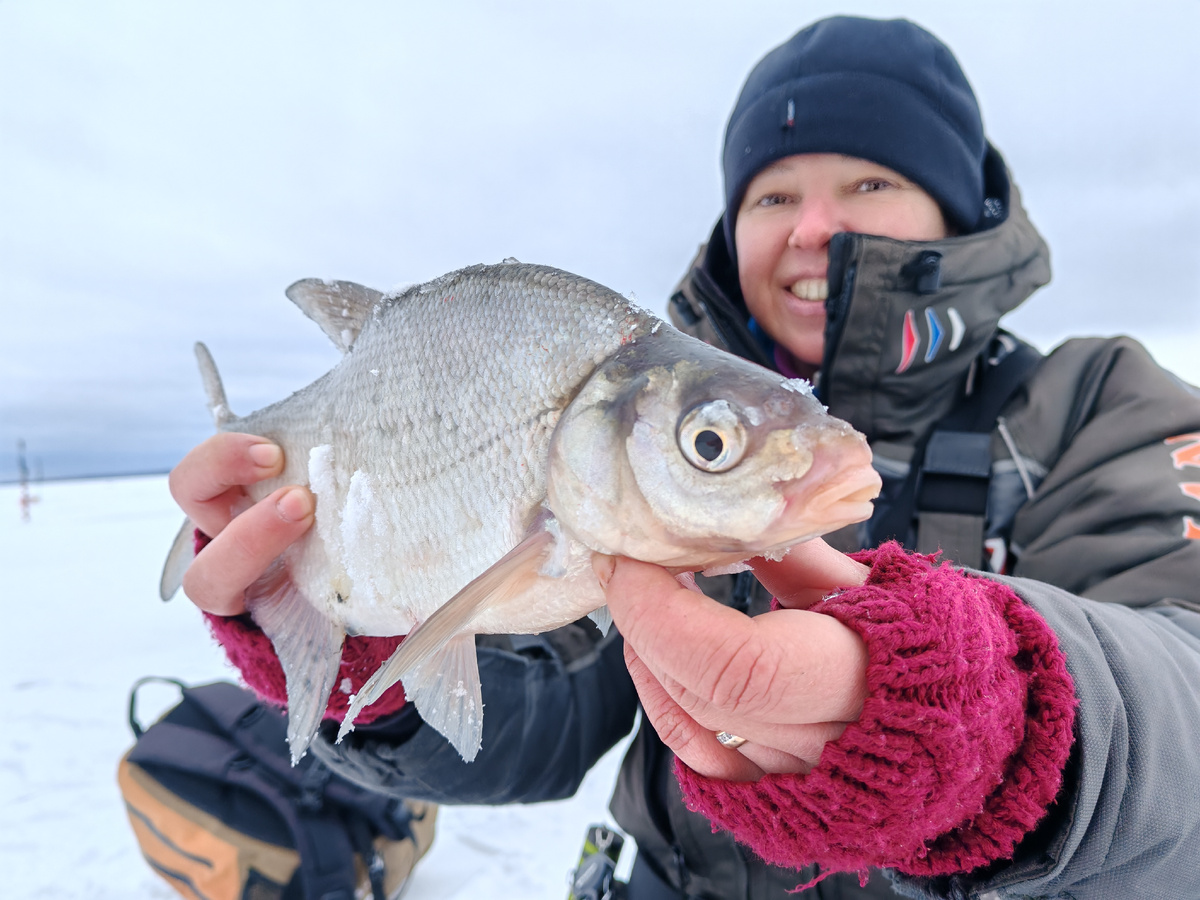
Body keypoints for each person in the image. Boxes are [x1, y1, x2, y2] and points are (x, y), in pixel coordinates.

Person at [167, 16, 1200, 899]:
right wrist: (358, 644)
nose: (817, 229)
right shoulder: (628, 442)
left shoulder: (1106, 402)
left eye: (870, 179)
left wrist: (994, 723)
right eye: (773, 196)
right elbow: (540, 708)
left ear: (957, 208)